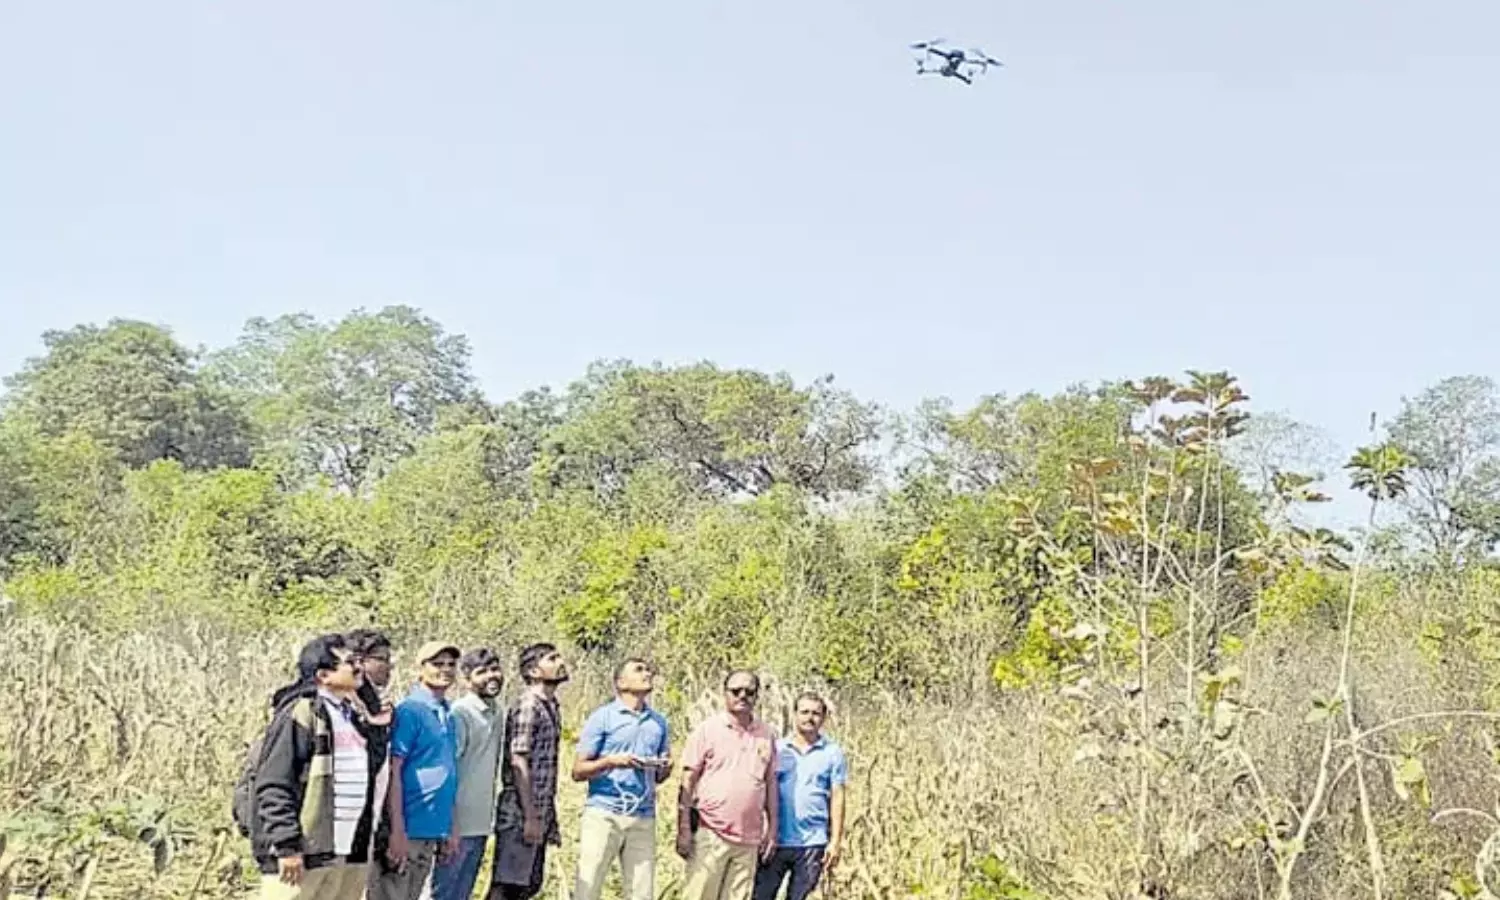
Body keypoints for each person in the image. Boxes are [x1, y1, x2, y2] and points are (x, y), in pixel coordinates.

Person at [251, 633, 380, 900]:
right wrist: (287, 846)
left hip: (343, 850)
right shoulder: (301, 713)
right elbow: (274, 782)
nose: (359, 668)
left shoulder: (350, 714)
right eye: (350, 662)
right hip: (304, 853)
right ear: (323, 675)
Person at [571, 658, 673, 900]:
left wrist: (665, 767)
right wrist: (611, 762)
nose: (647, 673)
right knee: (589, 886)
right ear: (621, 682)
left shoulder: (658, 723)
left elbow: (659, 776)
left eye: (648, 669)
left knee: (641, 892)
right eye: (639, 670)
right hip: (604, 812)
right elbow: (577, 770)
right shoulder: (603, 717)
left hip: (643, 815)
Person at [368, 642, 462, 900]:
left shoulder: (448, 713)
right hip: (408, 826)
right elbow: (394, 769)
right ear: (420, 669)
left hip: (432, 828)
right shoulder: (410, 711)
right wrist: (397, 830)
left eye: (450, 665)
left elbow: (448, 773)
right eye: (437, 664)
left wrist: (451, 827)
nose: (445, 670)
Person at [677, 670, 779, 900]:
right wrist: (683, 828)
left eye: (749, 692)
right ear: (725, 694)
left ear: (757, 696)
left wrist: (772, 830)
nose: (742, 696)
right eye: (736, 691)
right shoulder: (707, 730)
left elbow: (770, 784)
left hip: (749, 840)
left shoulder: (767, 734)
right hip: (710, 832)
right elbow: (687, 779)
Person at [489, 643, 570, 900]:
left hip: (541, 810)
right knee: (508, 886)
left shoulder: (552, 705)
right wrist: (530, 815)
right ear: (534, 671)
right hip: (520, 811)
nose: (560, 662)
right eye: (551, 658)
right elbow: (518, 760)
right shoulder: (528, 705)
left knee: (529, 885)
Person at [752, 693, 847, 900]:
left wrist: (835, 841)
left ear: (824, 718)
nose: (809, 718)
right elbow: (761, 790)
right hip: (775, 840)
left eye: (816, 713)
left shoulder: (832, 753)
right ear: (794, 715)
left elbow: (838, 797)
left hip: (812, 842)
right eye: (804, 712)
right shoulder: (777, 749)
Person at [428, 648, 506, 900]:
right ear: (466, 679)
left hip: (481, 822)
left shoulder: (497, 711)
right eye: (481, 672)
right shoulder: (460, 713)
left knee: (462, 893)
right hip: (457, 825)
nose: (491, 676)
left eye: (495, 669)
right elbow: (446, 770)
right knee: (442, 893)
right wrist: (449, 825)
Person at [345, 628, 394, 869]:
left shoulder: (375, 706)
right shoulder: (340, 709)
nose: (389, 667)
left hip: (365, 827)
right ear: (359, 661)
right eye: (382, 659)